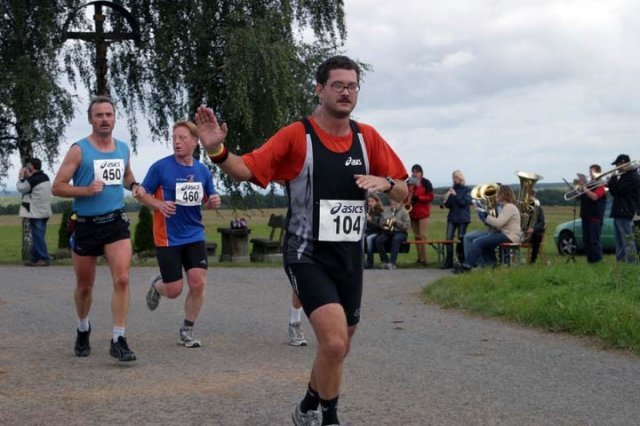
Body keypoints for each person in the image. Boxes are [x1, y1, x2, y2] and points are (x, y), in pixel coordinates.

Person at [195, 55, 408, 426]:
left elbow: (404, 191)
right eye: (338, 85)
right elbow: (246, 169)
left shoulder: (367, 138)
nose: (346, 92)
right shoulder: (298, 136)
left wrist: (387, 184)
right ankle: (330, 418)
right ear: (319, 89)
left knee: (339, 346)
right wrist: (217, 150)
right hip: (307, 254)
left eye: (352, 86)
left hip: (349, 257)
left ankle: (309, 402)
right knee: (334, 342)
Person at [52, 95, 141, 362]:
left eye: (108, 115)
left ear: (115, 118)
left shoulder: (123, 148)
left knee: (122, 279)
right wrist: (86, 190)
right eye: (99, 115)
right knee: (84, 287)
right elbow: (58, 186)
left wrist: (134, 185)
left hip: (115, 222)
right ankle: (83, 328)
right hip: (86, 225)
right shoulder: (79, 150)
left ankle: (118, 339)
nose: (104, 119)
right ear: (90, 119)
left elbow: (126, 175)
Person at [137, 120, 222, 348]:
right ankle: (157, 285)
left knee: (198, 283)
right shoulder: (160, 167)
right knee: (174, 290)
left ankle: (187, 330)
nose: (177, 142)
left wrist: (213, 201)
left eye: (182, 138)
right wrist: (158, 205)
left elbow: (207, 200)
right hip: (168, 237)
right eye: (174, 138)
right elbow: (142, 193)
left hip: (194, 235)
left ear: (194, 141)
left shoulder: (202, 170)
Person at [458, 185, 521, 271]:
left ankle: (467, 265)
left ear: (503, 194)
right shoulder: (508, 206)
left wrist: (486, 216)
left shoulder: (509, 207)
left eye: (498, 194)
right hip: (506, 234)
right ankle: (490, 264)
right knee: (484, 243)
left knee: (478, 242)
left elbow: (499, 223)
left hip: (510, 236)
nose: (497, 196)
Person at [17, 158, 52, 266]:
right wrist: (29, 176)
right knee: (38, 235)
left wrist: (21, 177)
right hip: (44, 211)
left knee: (38, 236)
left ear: (32, 166)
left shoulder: (33, 180)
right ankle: (36, 258)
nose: (27, 167)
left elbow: (21, 188)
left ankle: (44, 258)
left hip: (36, 212)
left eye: (29, 166)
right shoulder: (45, 176)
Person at [607, 154, 640, 263]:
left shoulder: (633, 176)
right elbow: (614, 192)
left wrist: (613, 179)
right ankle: (620, 263)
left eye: (617, 164)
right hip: (619, 211)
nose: (616, 167)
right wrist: (611, 182)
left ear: (623, 163)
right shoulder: (625, 176)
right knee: (619, 241)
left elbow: (620, 190)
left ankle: (631, 263)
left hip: (626, 211)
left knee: (627, 240)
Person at [441, 170, 472, 268]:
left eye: (456, 177)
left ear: (460, 178)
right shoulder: (452, 189)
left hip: (463, 218)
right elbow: (449, 205)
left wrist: (455, 195)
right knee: (448, 239)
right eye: (453, 177)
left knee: (461, 240)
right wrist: (446, 199)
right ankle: (448, 262)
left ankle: (461, 261)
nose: (454, 179)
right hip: (452, 217)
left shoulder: (467, 190)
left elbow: (464, 203)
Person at [407, 164, 434, 265]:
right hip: (412, 212)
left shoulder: (426, 182)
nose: (415, 173)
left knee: (422, 235)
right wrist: (408, 198)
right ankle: (419, 258)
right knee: (417, 236)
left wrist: (419, 198)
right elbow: (406, 194)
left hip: (423, 213)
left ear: (421, 173)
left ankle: (425, 259)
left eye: (417, 171)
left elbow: (431, 197)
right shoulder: (410, 182)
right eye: (413, 171)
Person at [579, 164, 607, 263]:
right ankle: (590, 260)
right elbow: (582, 197)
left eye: (592, 172)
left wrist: (585, 189)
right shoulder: (589, 184)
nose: (590, 174)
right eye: (590, 172)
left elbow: (595, 197)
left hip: (595, 216)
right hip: (586, 215)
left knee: (594, 240)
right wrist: (579, 190)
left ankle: (598, 260)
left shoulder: (602, 185)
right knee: (586, 240)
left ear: (598, 172)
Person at [375, 199, 410, 270]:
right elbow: (380, 224)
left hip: (400, 232)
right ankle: (385, 261)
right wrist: (385, 223)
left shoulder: (404, 212)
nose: (394, 206)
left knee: (396, 239)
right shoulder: (386, 212)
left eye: (396, 204)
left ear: (400, 204)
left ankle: (392, 262)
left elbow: (406, 226)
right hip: (388, 231)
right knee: (379, 241)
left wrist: (396, 221)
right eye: (392, 204)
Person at [364, 193, 384, 269]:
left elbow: (380, 225)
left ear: (376, 202)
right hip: (368, 231)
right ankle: (362, 263)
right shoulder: (367, 210)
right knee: (361, 238)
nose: (370, 203)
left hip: (377, 232)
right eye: (369, 201)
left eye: (372, 201)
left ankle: (370, 263)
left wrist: (371, 220)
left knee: (369, 239)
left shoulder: (380, 212)